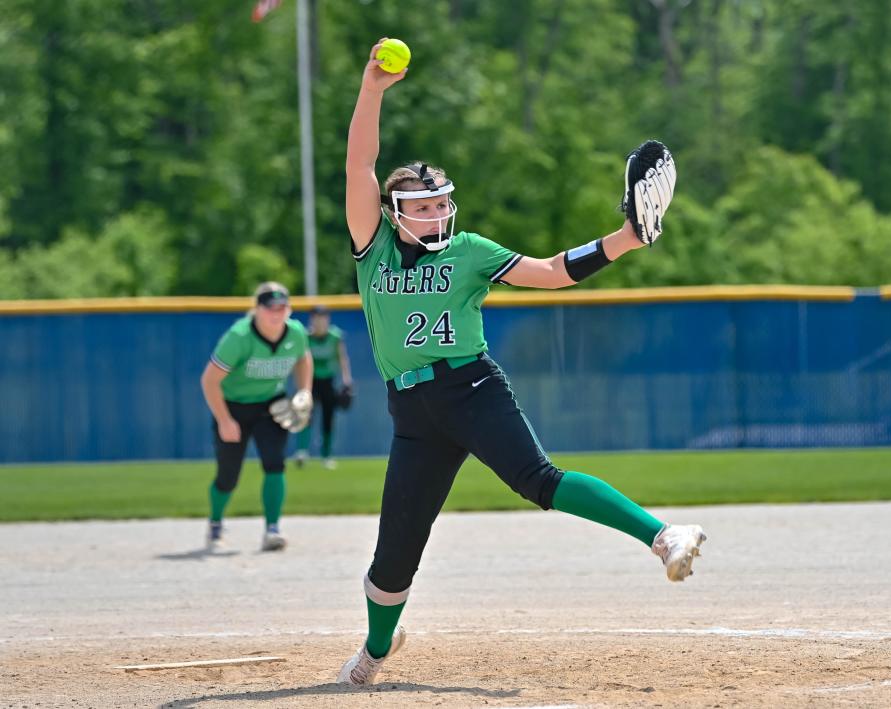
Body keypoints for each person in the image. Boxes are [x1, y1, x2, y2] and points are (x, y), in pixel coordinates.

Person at [336, 39, 706, 685]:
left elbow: (553, 272)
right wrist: (373, 89)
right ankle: (376, 649)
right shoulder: (374, 249)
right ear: (395, 215)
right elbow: (359, 165)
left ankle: (663, 535)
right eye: (422, 206)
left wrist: (624, 238)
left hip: (471, 386)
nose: (436, 212)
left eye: (441, 201)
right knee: (394, 555)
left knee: (538, 478)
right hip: (413, 412)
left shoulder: (471, 250)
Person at [199, 282, 313, 552]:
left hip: (270, 405)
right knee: (228, 475)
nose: (276, 313)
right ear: (257, 310)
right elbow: (209, 381)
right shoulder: (238, 337)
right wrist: (225, 420)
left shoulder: (295, 333)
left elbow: (303, 358)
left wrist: (305, 390)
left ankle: (272, 529)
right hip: (234, 407)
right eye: (270, 307)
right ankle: (215, 523)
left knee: (275, 463)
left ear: (289, 309)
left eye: (282, 307)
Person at [294, 305, 354, 470]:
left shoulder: (335, 336)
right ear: (311, 319)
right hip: (310, 381)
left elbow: (342, 358)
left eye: (323, 317)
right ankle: (302, 451)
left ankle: (326, 456)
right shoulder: (305, 337)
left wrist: (347, 380)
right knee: (305, 415)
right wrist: (301, 385)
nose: (320, 321)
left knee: (328, 418)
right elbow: (299, 361)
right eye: (316, 317)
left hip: (328, 381)